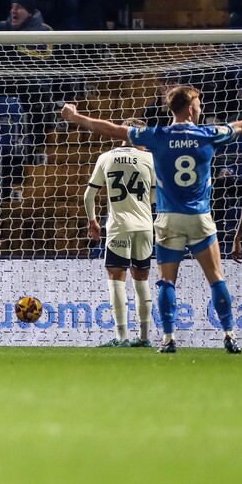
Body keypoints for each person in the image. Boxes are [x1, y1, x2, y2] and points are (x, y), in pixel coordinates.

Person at [61, 86, 242, 354]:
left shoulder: (157, 136)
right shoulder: (209, 134)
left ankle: (168, 338)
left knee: (166, 282)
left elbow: (112, 129)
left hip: (168, 219)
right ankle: (229, 334)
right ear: (191, 107)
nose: (201, 107)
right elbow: (240, 125)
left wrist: (76, 117)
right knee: (216, 279)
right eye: (200, 103)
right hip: (199, 217)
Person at [83, 118, 156, 347]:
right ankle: (144, 338)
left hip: (118, 227)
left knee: (116, 280)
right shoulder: (151, 158)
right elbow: (156, 196)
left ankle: (122, 337)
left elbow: (89, 195)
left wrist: (93, 222)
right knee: (141, 280)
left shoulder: (106, 157)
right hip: (144, 226)